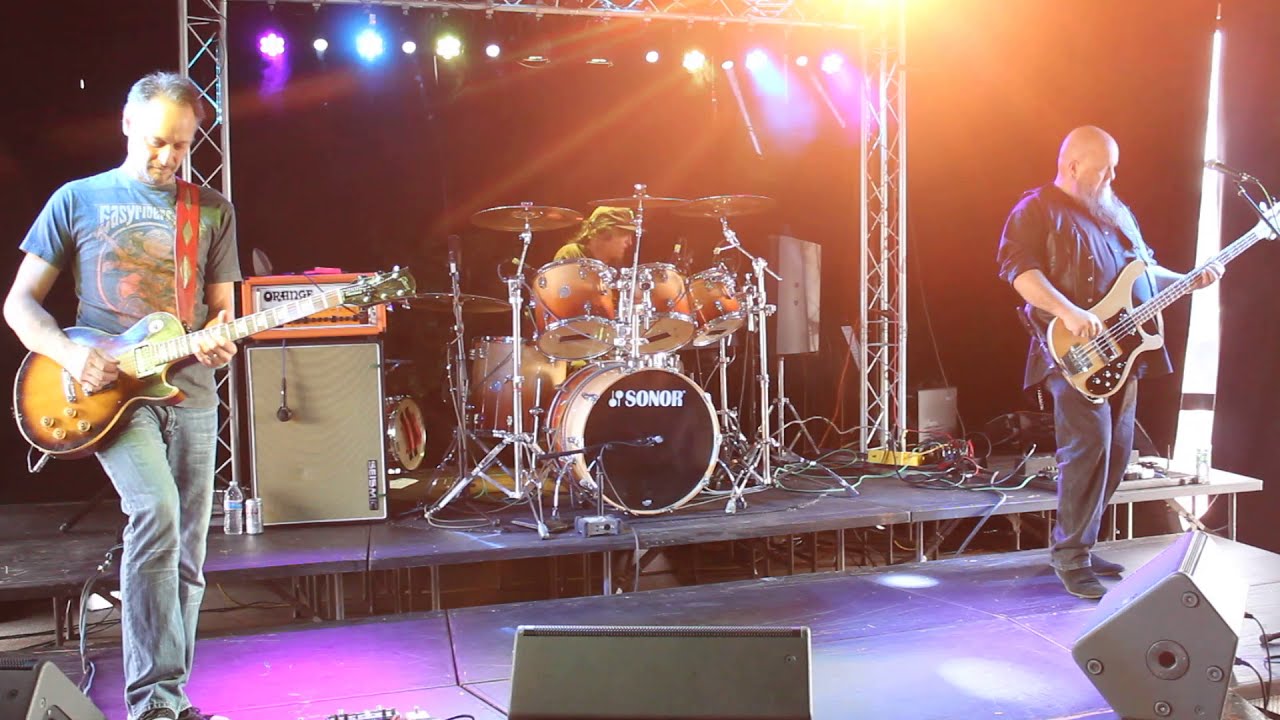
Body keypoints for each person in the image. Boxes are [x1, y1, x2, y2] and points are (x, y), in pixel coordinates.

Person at [4, 72, 241, 720]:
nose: (169, 158)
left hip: (189, 390)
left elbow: (222, 314)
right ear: (128, 124)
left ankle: (172, 698)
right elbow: (19, 303)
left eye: (182, 147)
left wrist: (221, 338)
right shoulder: (77, 199)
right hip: (106, 392)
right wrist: (72, 353)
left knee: (189, 550)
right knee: (156, 513)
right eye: (159, 142)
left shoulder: (212, 209)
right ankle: (152, 707)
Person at [996, 125, 1223, 600]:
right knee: (1089, 448)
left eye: (1114, 167)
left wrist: (1188, 280)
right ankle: (1070, 557)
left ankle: (1081, 542)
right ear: (1073, 165)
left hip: (1124, 353)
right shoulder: (1035, 210)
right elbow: (1021, 272)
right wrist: (1069, 312)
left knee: (1118, 452)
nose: (1112, 176)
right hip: (1071, 352)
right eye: (1103, 169)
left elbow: (1143, 272)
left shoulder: (1116, 214)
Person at [553, 205, 636, 266]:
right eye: (625, 234)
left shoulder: (616, 265)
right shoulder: (572, 254)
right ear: (604, 231)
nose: (629, 242)